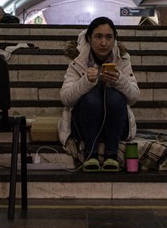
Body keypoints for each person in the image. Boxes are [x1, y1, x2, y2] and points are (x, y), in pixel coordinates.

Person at [59, 17, 140, 172]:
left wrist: (119, 80)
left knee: (114, 96)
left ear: (114, 39)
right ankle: (91, 154)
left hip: (116, 125)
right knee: (91, 97)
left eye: (108, 37)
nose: (103, 43)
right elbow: (66, 98)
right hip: (84, 125)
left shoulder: (122, 59)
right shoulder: (79, 61)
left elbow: (134, 97)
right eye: (98, 37)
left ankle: (111, 155)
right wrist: (86, 81)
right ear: (89, 39)